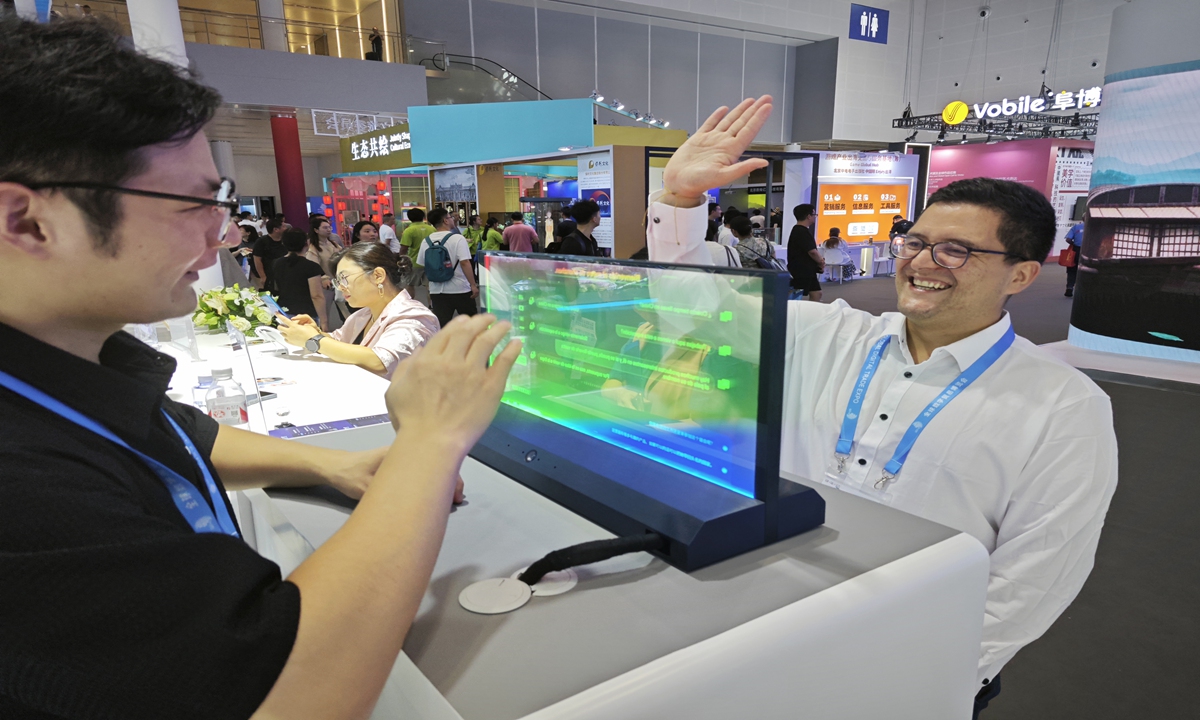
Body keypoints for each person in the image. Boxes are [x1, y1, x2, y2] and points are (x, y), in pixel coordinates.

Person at [0, 15, 519, 719]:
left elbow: (181, 434)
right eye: (191, 204)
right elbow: (290, 692)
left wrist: (335, 466)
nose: (221, 235)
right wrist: (429, 443)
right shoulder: (19, 477)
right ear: (27, 222)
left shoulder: (74, 362)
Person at [646, 95, 1118, 718]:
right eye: (915, 241)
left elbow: (1035, 575)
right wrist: (679, 199)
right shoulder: (825, 334)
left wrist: (921, 673)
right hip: (767, 628)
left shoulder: (1062, 407)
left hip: (910, 670)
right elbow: (694, 311)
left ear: (1021, 275)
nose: (922, 262)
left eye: (957, 250)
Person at [276, 242, 439, 380]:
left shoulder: (414, 317)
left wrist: (314, 340)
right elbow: (339, 340)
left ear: (378, 275)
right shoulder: (364, 314)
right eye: (338, 281)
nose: (340, 287)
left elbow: (380, 360)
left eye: (344, 278)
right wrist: (315, 332)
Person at [417, 207, 479, 327]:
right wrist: (473, 284)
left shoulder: (426, 241)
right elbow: (465, 262)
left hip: (436, 290)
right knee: (471, 323)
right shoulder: (458, 238)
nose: (452, 219)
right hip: (460, 288)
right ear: (445, 220)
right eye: (450, 217)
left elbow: (423, 263)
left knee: (442, 325)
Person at [272, 227, 327, 329]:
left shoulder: (276, 263)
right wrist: (324, 322)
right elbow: (317, 296)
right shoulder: (311, 267)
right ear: (306, 243)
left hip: (284, 311)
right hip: (306, 315)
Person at [306, 216, 343, 328]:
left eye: (329, 227)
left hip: (339, 281)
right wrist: (323, 278)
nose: (328, 230)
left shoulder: (333, 243)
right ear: (316, 230)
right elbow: (313, 265)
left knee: (344, 308)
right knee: (323, 312)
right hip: (325, 283)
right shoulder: (313, 247)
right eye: (325, 228)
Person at [787, 203, 824, 301]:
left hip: (803, 268)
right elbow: (812, 251)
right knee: (796, 295)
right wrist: (821, 261)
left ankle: (811, 309)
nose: (815, 217)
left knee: (816, 293)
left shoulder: (798, 230)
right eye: (814, 215)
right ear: (808, 216)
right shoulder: (802, 231)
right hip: (803, 269)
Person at [253, 217, 287, 292]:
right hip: (270, 274)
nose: (286, 228)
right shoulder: (261, 241)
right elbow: (257, 259)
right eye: (283, 226)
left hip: (285, 273)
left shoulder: (286, 240)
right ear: (276, 229)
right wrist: (263, 276)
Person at [1064, 220, 1084, 297]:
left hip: (1076, 250)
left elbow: (1068, 239)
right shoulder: (1094, 228)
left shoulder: (1076, 227)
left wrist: (1074, 244)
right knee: (1086, 270)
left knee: (1072, 269)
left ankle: (1069, 287)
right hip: (1088, 251)